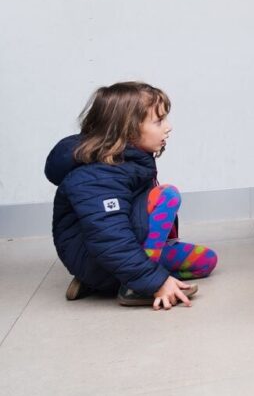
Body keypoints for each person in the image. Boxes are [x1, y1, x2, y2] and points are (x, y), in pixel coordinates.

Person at [44, 82, 218, 310]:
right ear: (127, 130)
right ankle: (135, 286)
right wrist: (157, 281)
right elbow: (110, 238)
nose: (168, 127)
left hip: (118, 254)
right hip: (97, 258)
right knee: (167, 196)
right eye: (159, 121)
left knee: (205, 261)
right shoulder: (96, 174)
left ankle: (114, 280)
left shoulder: (128, 159)